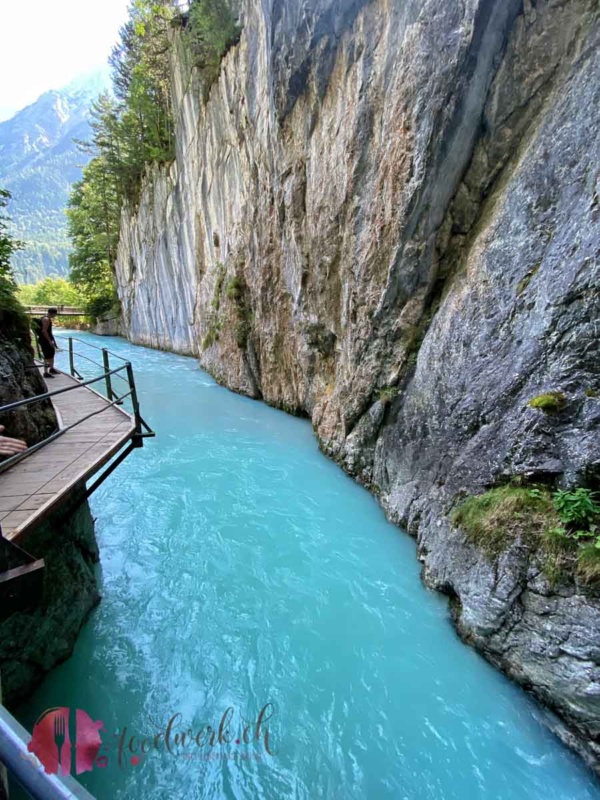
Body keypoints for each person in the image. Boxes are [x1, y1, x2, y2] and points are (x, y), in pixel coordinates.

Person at [39, 308, 59, 379]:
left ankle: (51, 369)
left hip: (48, 339)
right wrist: (49, 341)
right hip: (45, 340)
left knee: (51, 353)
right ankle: (46, 372)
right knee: (47, 355)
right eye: (55, 314)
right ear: (52, 313)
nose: (55, 315)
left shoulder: (47, 319)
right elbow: (44, 331)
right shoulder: (46, 319)